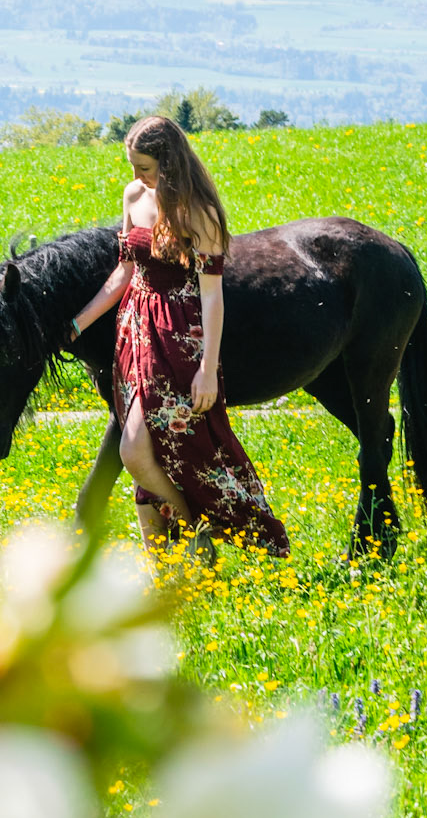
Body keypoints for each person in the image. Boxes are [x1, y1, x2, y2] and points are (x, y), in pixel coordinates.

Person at [67, 115, 289, 559]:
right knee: (142, 448)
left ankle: (194, 522)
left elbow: (213, 298)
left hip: (181, 334)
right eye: (132, 165)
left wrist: (208, 369)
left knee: (162, 446)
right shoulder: (134, 195)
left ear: (168, 164)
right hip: (135, 330)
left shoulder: (198, 213)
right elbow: (125, 272)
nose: (136, 177)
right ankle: (183, 544)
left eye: (145, 167)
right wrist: (78, 323)